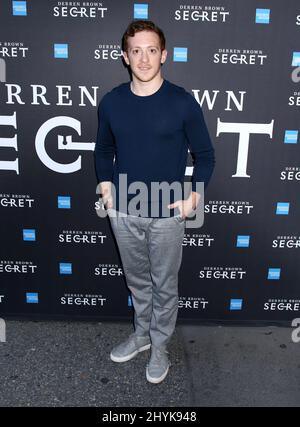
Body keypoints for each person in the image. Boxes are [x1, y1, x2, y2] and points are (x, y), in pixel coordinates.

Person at [94, 19, 215, 384]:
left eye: (151, 50)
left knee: (164, 284)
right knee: (137, 282)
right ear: (125, 57)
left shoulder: (182, 102)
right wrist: (106, 185)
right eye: (136, 51)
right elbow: (103, 150)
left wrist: (193, 196)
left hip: (166, 213)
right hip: (124, 211)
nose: (144, 58)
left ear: (164, 54)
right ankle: (142, 336)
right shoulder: (112, 102)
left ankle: (160, 346)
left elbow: (205, 156)